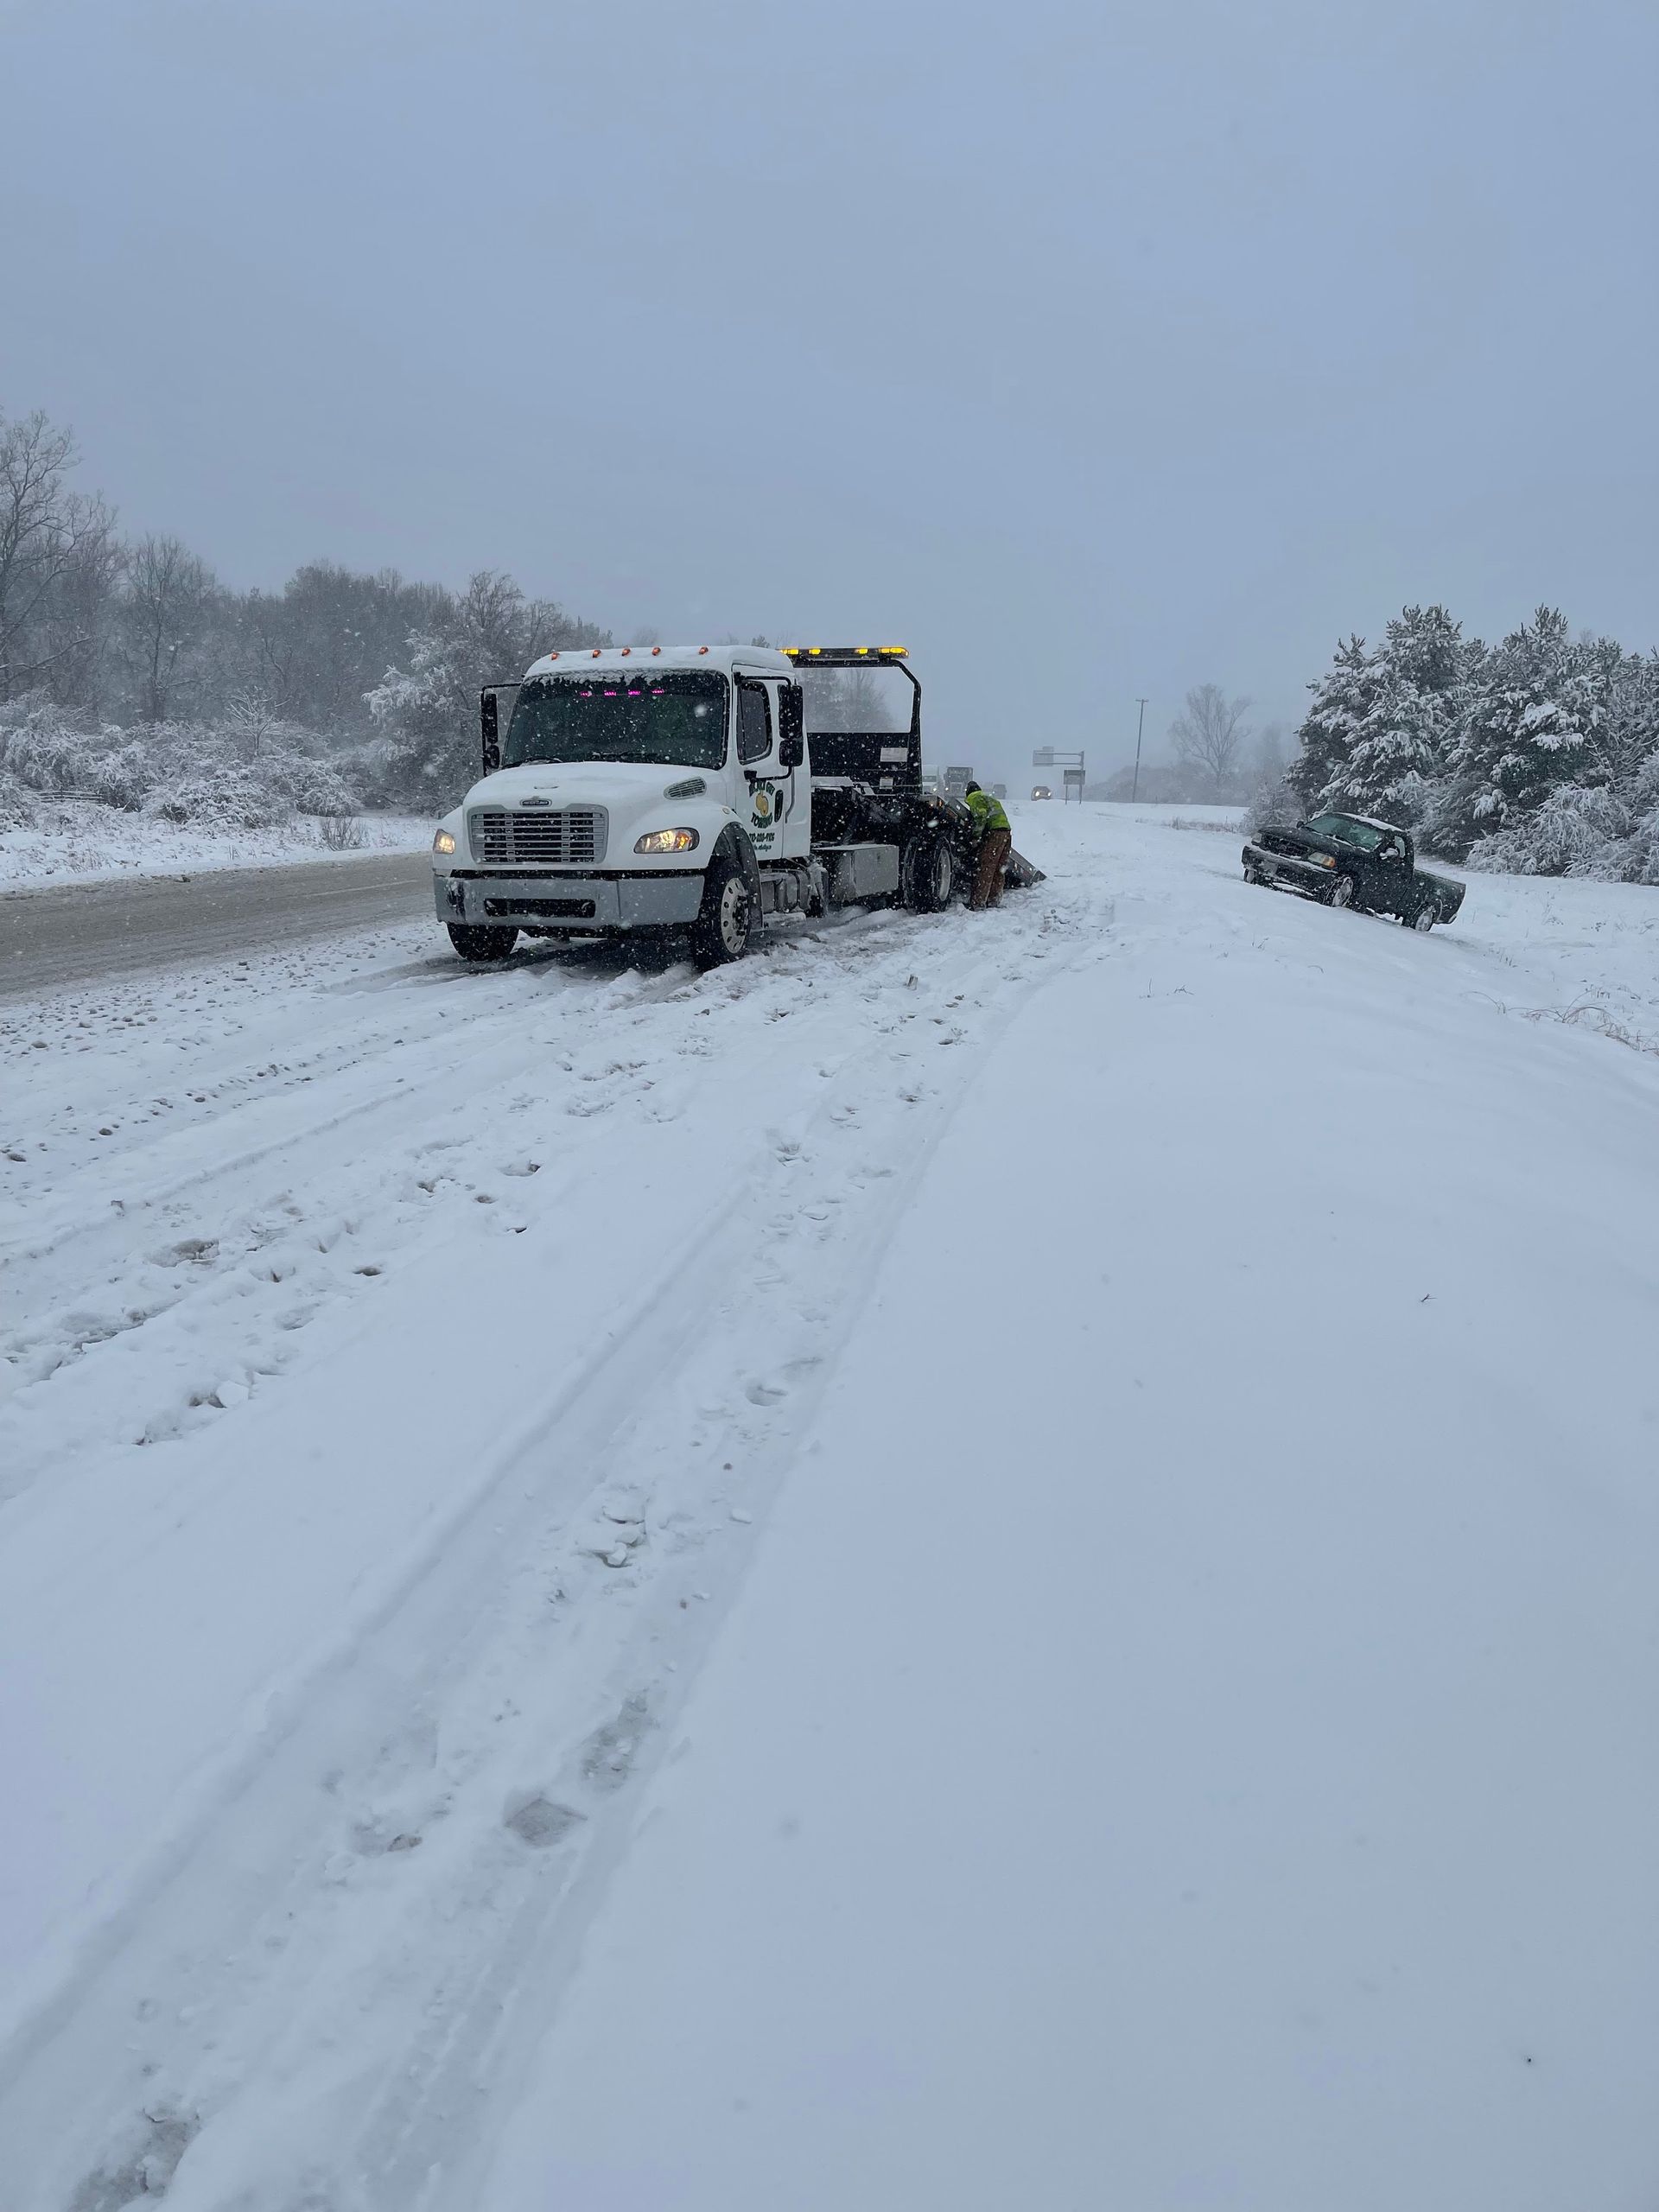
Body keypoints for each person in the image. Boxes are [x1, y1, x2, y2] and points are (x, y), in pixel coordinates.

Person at [963, 780, 1012, 909]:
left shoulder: (975, 799)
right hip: (1006, 833)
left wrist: (975, 836)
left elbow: (981, 816)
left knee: (986, 867)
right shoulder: (989, 798)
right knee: (999, 869)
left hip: (995, 834)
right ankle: (993, 900)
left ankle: (978, 903)